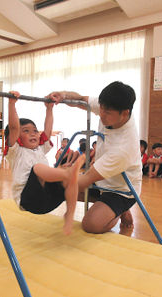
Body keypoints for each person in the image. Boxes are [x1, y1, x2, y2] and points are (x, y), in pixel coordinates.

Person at [48, 81, 142, 234]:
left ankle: (120, 210)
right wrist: (63, 95)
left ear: (125, 113)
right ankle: (108, 207)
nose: (101, 114)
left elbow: (86, 178)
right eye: (101, 108)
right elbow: (81, 100)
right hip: (100, 179)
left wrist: (51, 178)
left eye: (107, 112)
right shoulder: (109, 107)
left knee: (91, 225)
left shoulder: (124, 147)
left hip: (120, 190)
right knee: (64, 191)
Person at [5, 91, 85, 235]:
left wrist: (49, 109)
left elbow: (47, 131)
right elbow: (13, 128)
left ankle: (69, 215)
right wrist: (12, 104)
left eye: (35, 131)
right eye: (26, 131)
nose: (33, 134)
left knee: (71, 180)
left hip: (48, 200)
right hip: (28, 199)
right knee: (38, 168)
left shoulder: (40, 148)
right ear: (17, 137)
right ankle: (66, 173)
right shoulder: (16, 151)